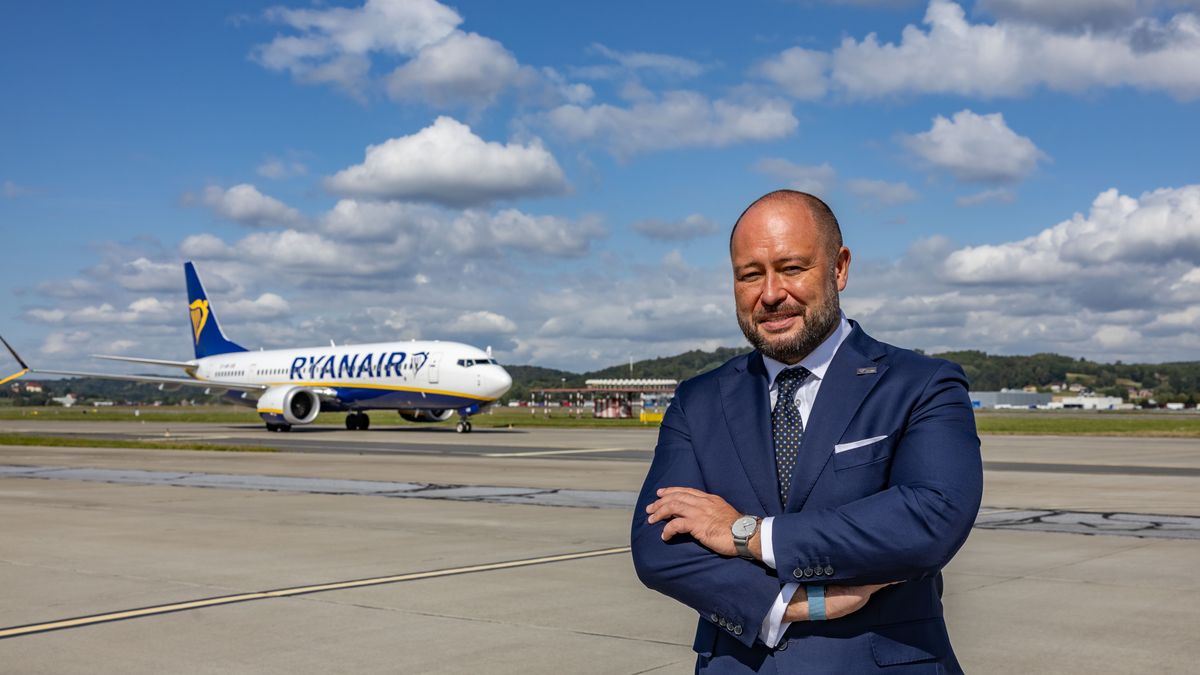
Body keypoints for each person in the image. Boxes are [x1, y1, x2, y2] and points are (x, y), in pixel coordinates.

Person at [631, 190, 982, 673]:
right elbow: (658, 549)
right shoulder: (699, 399)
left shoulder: (921, 383)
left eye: (792, 268)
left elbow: (929, 519)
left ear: (839, 268)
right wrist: (791, 606)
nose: (771, 294)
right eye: (750, 275)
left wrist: (748, 534)